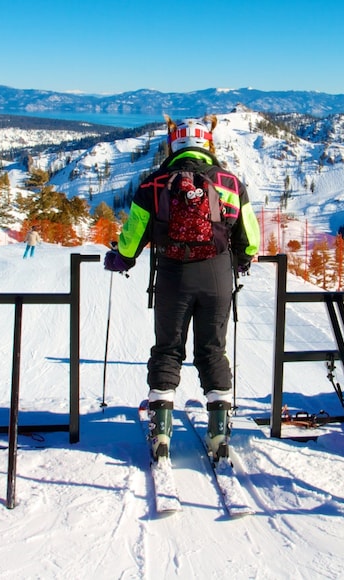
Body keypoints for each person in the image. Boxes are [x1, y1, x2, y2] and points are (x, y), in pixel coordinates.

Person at [104, 116, 260, 462]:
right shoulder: (230, 183)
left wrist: (120, 259)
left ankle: (161, 431)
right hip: (218, 276)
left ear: (173, 144)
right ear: (208, 144)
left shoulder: (154, 183)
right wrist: (241, 260)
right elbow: (250, 241)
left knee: (168, 349)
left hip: (172, 276)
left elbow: (131, 243)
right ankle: (219, 432)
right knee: (212, 350)